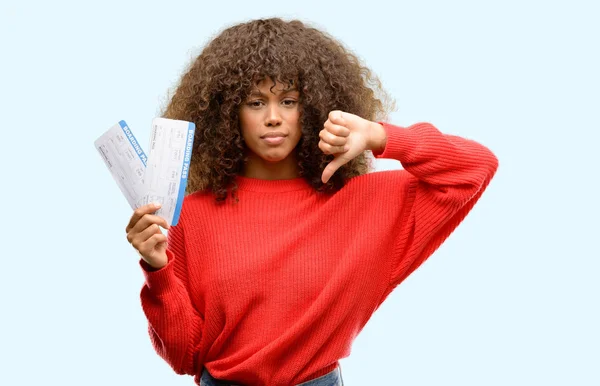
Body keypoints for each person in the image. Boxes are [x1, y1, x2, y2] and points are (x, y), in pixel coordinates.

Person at [125, 17, 498, 386]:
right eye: (255, 102)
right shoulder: (191, 215)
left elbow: (475, 166)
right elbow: (184, 357)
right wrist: (157, 269)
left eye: (289, 101)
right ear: (228, 113)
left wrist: (378, 135)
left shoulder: (366, 203)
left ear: (314, 108)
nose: (273, 118)